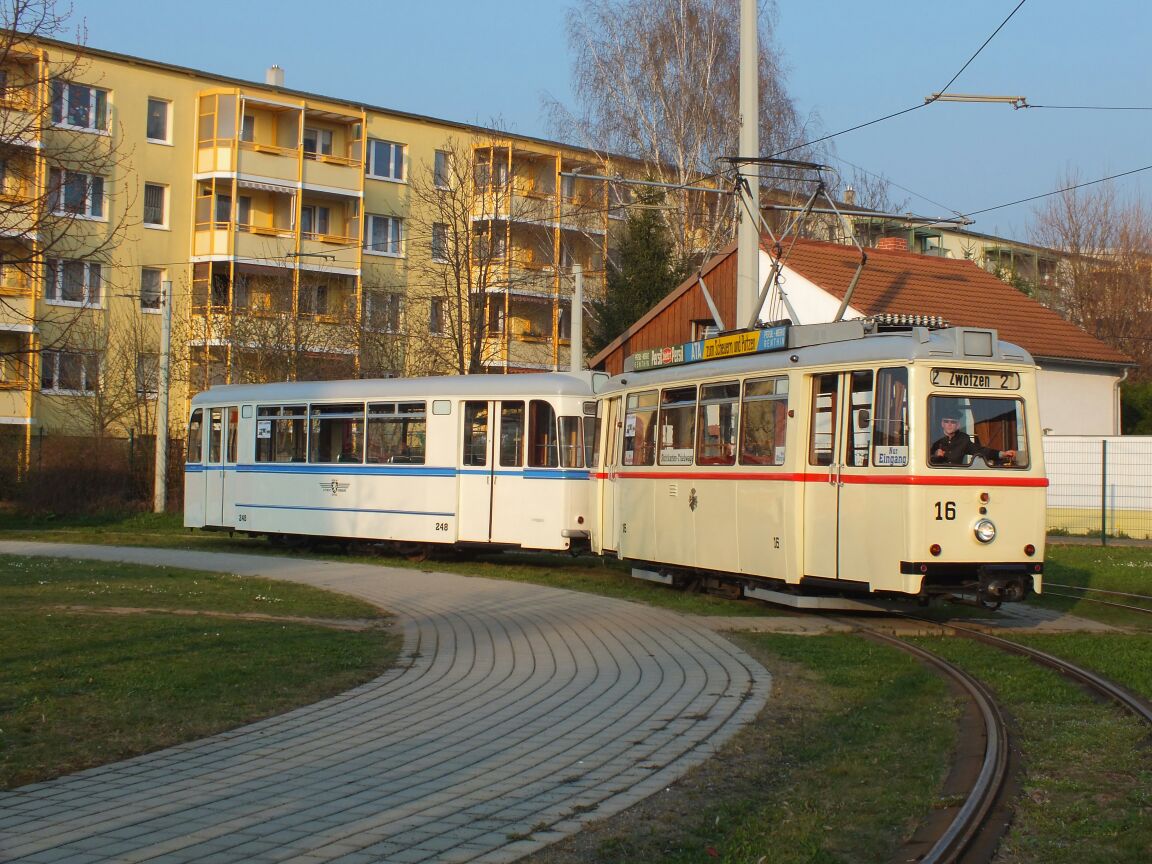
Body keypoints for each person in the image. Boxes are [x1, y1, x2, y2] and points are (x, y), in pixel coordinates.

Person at [930, 416, 1016, 465]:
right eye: (946, 421)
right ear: (942, 424)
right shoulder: (932, 437)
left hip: (956, 476)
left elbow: (980, 450)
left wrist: (1003, 454)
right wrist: (935, 455)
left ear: (958, 425)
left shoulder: (963, 439)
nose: (949, 424)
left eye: (953, 422)